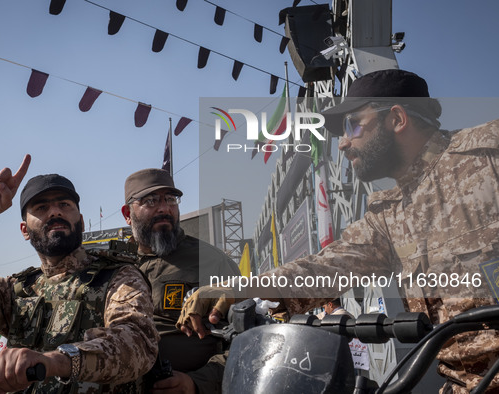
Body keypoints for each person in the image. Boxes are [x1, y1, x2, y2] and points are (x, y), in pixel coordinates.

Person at [177, 69, 499, 393]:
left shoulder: (489, 156)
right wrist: (241, 289)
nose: (343, 142)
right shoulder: (388, 215)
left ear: (397, 119)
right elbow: (324, 269)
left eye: (352, 124)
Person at [0, 154, 159, 393]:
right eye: (42, 207)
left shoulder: (119, 278)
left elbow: (137, 344)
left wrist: (55, 362)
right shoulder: (16, 291)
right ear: (24, 230)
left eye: (64, 204)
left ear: (82, 222)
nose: (55, 212)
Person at [120, 168, 241, 394]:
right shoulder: (116, 266)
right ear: (128, 213)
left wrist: (197, 383)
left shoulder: (211, 261)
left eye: (170, 199)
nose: (164, 208)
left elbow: (248, 339)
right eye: (150, 201)